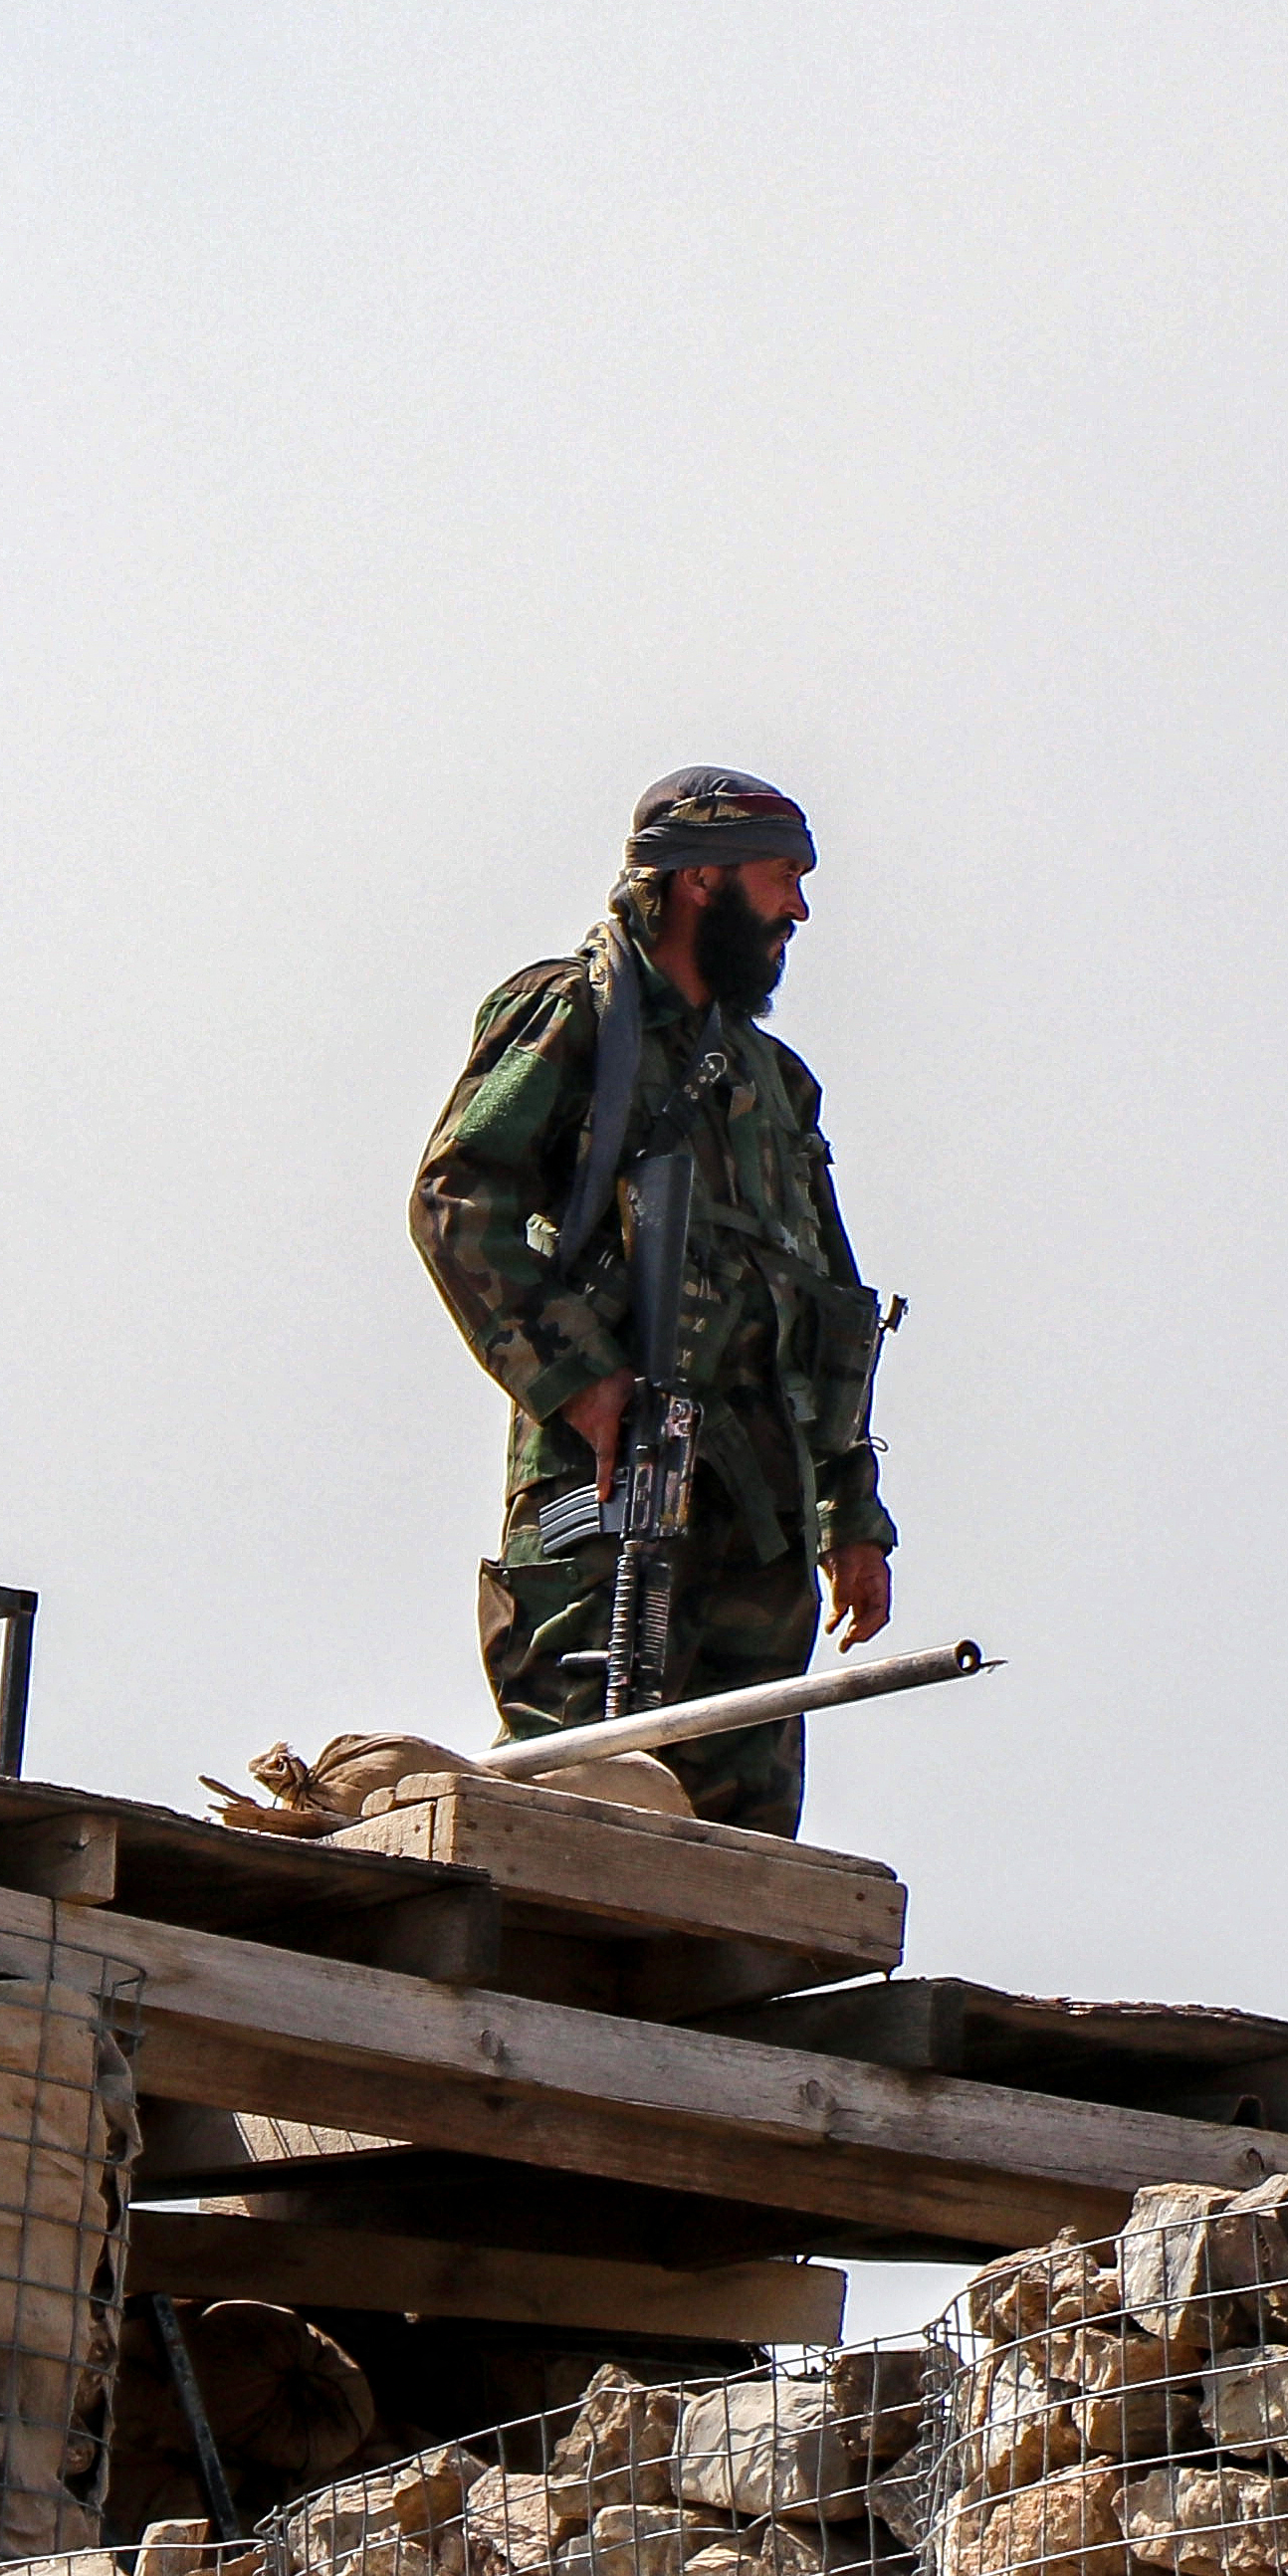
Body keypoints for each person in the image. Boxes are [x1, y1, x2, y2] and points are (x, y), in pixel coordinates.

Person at [409, 768, 900, 1833]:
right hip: (615, 1480)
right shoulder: (580, 1013)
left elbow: (828, 1308)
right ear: (700, 880)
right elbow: (459, 1200)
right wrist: (582, 1383)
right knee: (583, 1792)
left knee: (739, 1850)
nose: (798, 910)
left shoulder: (776, 1084)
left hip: (758, 1518)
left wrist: (849, 1514)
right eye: (781, 877)